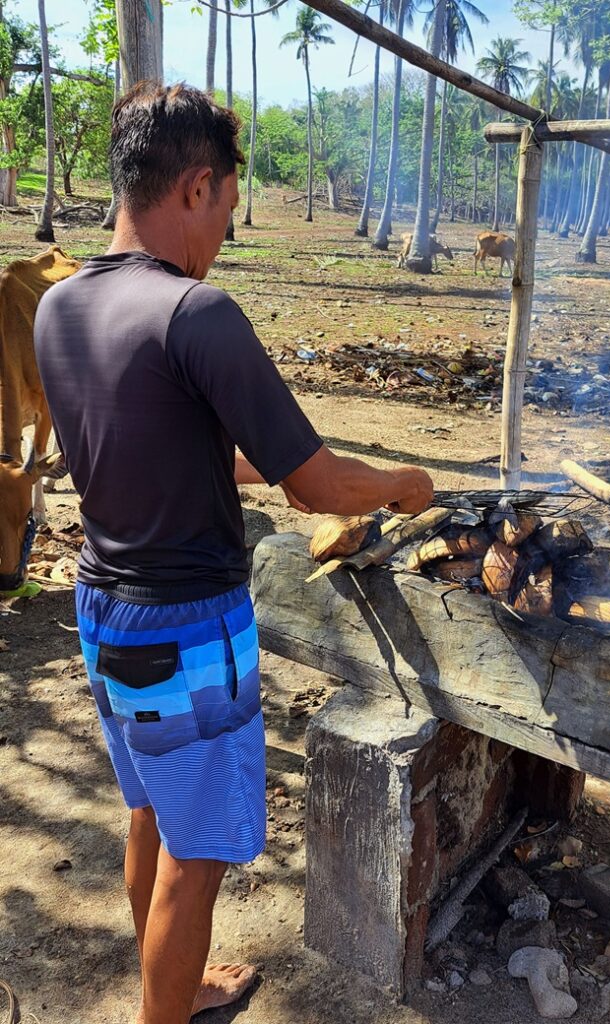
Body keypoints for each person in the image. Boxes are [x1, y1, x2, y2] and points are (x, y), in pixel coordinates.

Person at [34, 82, 433, 1024]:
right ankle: (164, 1012)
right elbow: (318, 488)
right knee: (200, 855)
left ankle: (172, 987)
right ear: (196, 187)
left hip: (101, 610)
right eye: (226, 205)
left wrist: (285, 469)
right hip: (186, 632)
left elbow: (160, 446)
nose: (222, 231)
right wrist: (403, 481)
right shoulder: (196, 312)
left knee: (149, 813)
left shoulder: (60, 307)